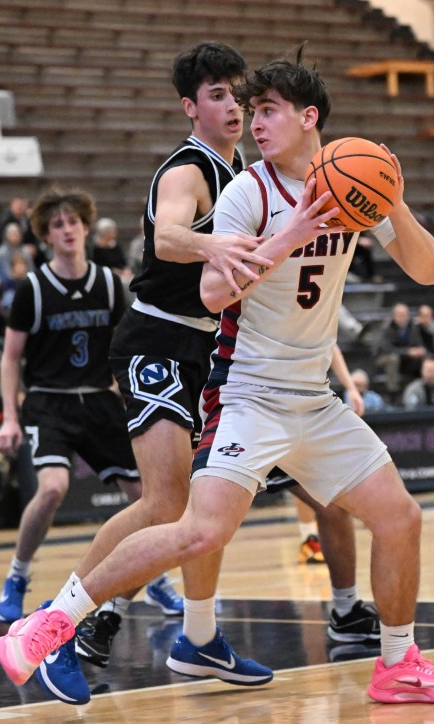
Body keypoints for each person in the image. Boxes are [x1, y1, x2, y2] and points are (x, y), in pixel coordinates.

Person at [0, 51, 434, 706]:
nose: (256, 122)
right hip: (246, 393)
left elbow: (427, 271)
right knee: (196, 529)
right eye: (251, 110)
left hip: (313, 398)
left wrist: (395, 202)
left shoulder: (351, 177)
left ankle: (398, 666)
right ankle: (50, 623)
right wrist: (293, 234)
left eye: (270, 110)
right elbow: (215, 292)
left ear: (309, 118)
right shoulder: (247, 191)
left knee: (401, 518)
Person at [70, 42, 273, 682]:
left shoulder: (245, 171)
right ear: (191, 107)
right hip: (156, 339)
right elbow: (169, 238)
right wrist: (219, 244)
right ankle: (65, 616)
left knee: (203, 506)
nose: (233, 106)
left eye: (238, 94)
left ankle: (196, 636)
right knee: (165, 503)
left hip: (209, 349)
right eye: (217, 95)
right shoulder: (188, 169)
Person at [0, 187, 143, 628]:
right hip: (49, 402)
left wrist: (129, 398)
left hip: (99, 399)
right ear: (45, 235)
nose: (67, 229)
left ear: (85, 225)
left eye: (72, 221)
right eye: (57, 224)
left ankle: (147, 577)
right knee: (53, 488)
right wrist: (9, 416)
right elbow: (10, 358)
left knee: (145, 499)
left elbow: (123, 349)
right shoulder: (33, 289)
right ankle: (17, 577)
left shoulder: (109, 284)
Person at [375, 302, 426, 399]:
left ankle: (423, 390)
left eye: (405, 315)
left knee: (425, 357)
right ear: (394, 316)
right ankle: (393, 393)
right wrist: (407, 352)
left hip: (406, 360)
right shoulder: (386, 328)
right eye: (400, 315)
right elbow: (387, 349)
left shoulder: (413, 327)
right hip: (384, 358)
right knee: (393, 359)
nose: (403, 317)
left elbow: (418, 343)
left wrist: (419, 350)